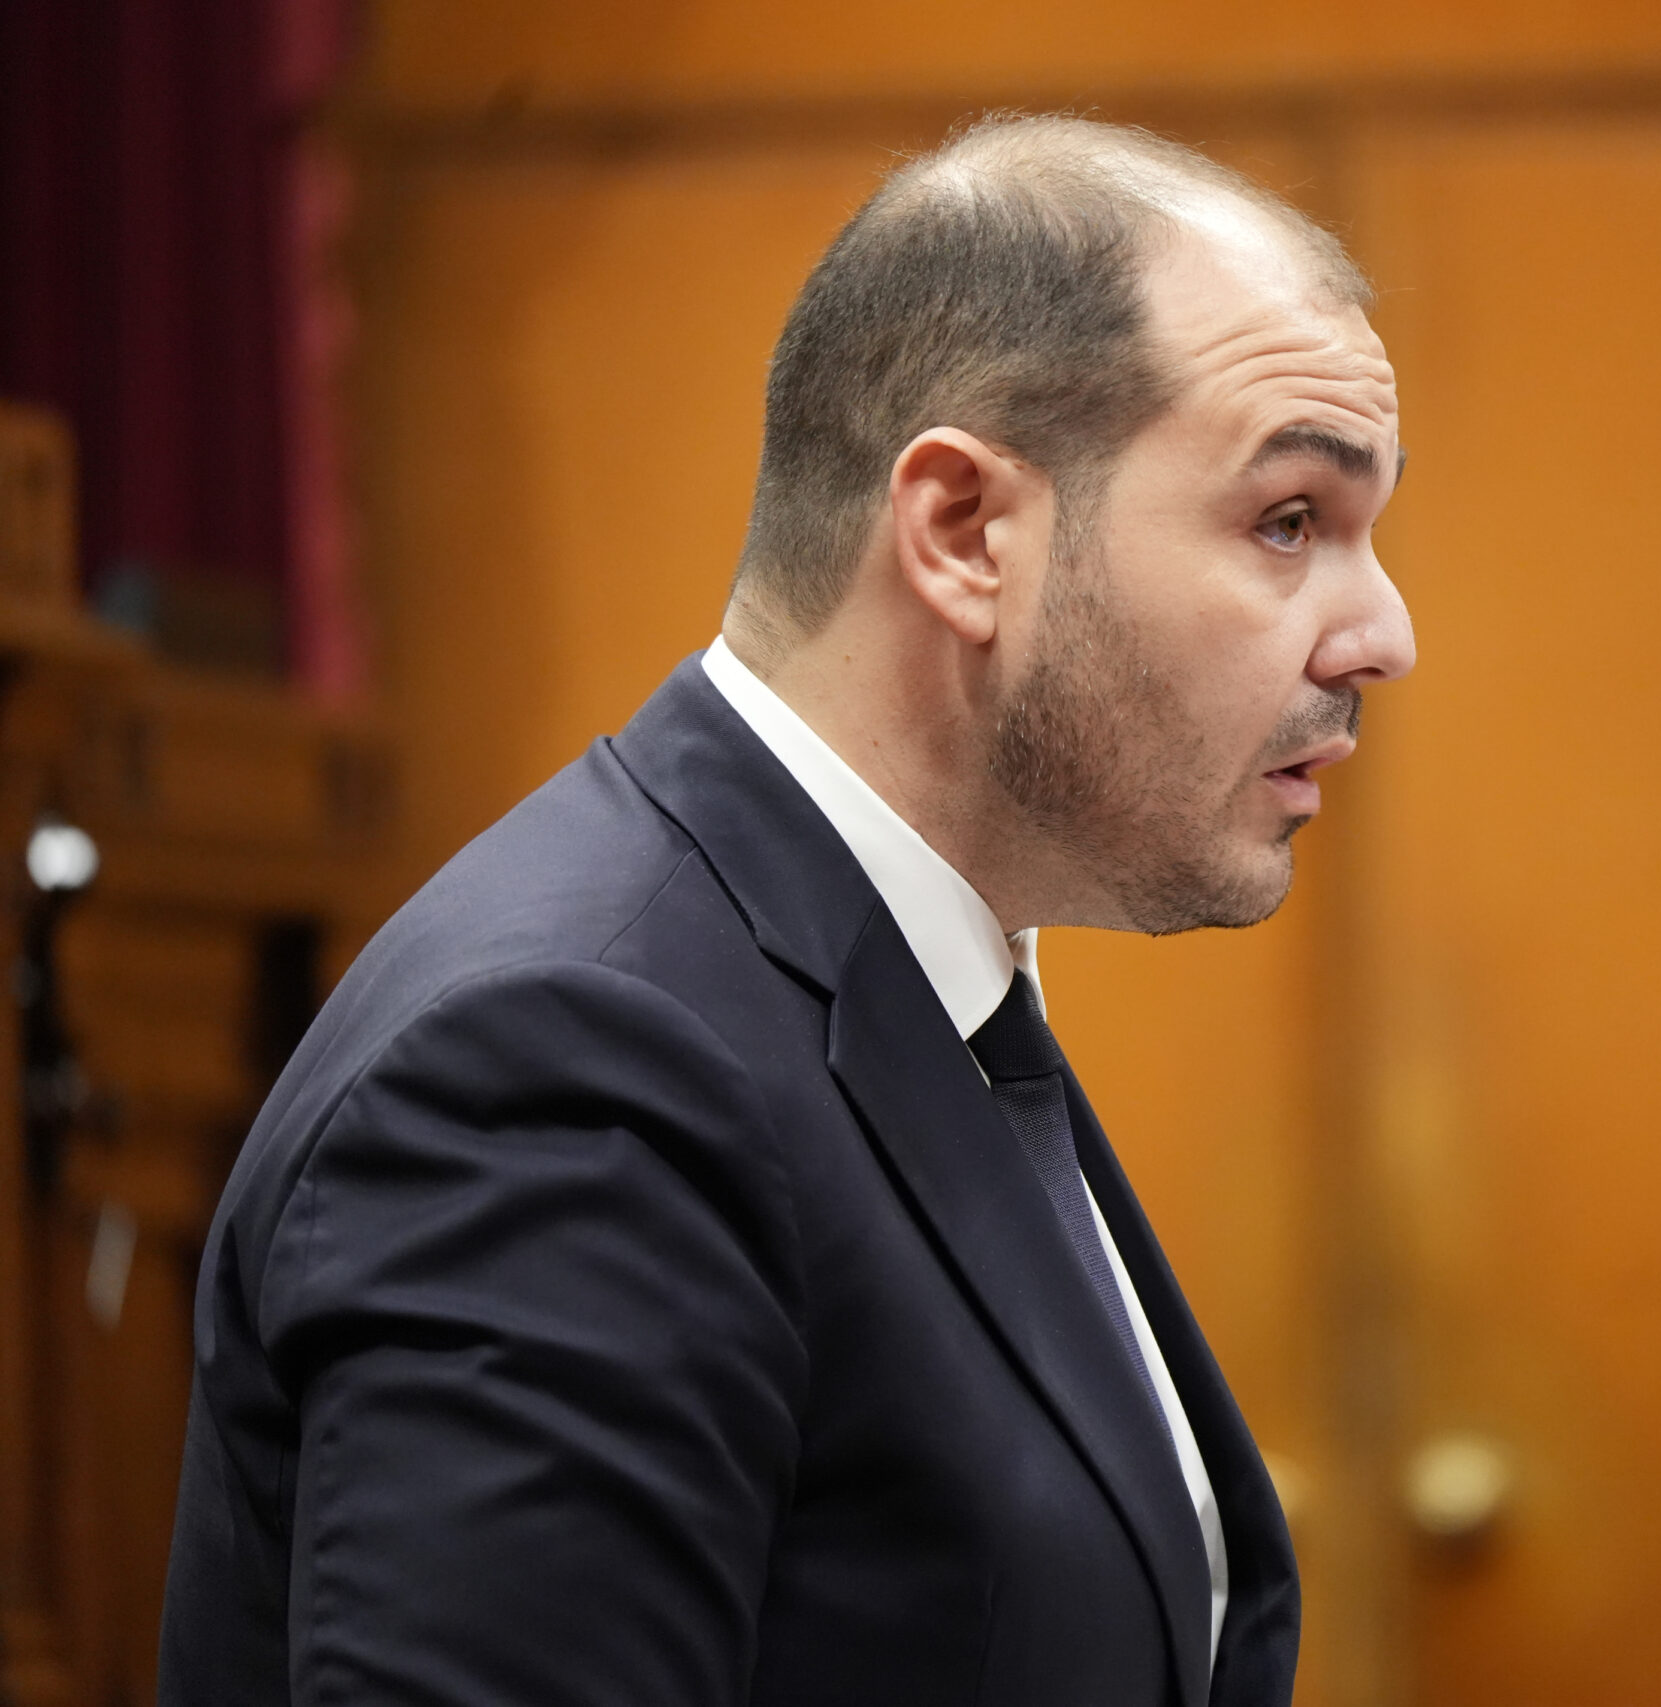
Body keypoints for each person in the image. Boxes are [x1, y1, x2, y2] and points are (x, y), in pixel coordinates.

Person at [157, 113, 1414, 1707]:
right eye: (1289, 521)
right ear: (963, 533)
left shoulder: (900, 985)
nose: (1382, 634)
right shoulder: (568, 1069)